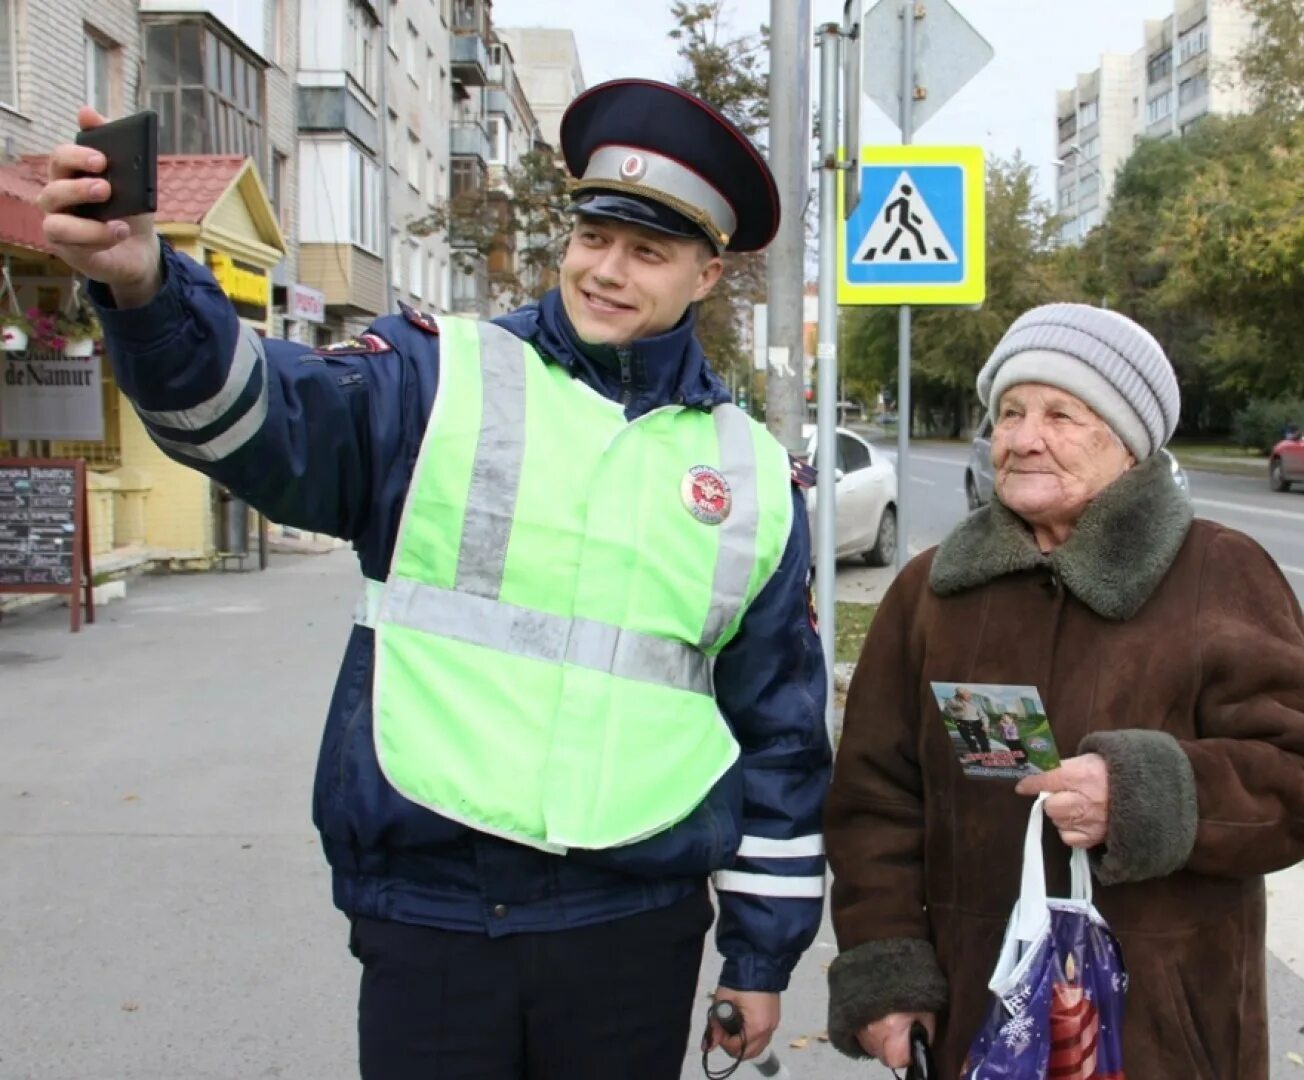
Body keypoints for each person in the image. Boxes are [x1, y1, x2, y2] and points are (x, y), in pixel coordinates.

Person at [37, 80, 831, 1079]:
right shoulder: (433, 377)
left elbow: (781, 735)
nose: (607, 271)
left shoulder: (752, 472)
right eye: (594, 237)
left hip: (634, 926)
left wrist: (759, 958)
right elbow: (258, 417)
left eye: (649, 252)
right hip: (437, 915)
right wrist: (145, 287)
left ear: (706, 274)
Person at [821, 303, 1304, 1078]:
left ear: (1128, 441)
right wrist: (886, 973)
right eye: (1009, 412)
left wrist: (1144, 795)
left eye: (1061, 414)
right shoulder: (930, 592)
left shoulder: (1218, 574)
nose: (1022, 437)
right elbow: (876, 799)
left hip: (1164, 1027)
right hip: (977, 1016)